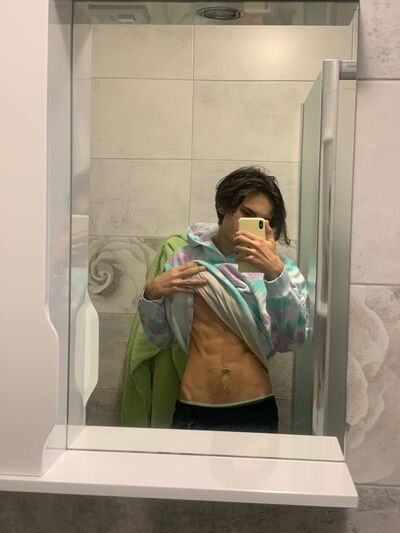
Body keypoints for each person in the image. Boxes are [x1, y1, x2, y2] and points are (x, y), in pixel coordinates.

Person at [138, 166, 308, 433]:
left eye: (263, 221)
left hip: (254, 406)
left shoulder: (280, 269)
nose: (253, 226)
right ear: (222, 206)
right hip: (193, 405)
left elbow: (291, 340)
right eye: (247, 214)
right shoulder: (184, 260)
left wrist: (275, 274)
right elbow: (160, 338)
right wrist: (151, 293)